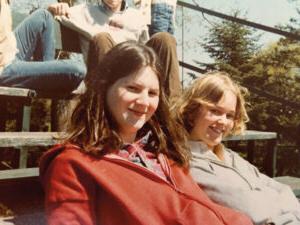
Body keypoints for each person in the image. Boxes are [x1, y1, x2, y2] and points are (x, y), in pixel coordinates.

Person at [39, 42, 253, 225]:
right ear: (104, 89)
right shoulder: (72, 164)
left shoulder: (163, 153)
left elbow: (204, 209)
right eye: (132, 88)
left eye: (152, 93)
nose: (144, 102)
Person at [172, 71, 300, 225]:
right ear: (192, 112)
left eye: (230, 115)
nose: (223, 122)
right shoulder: (190, 163)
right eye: (215, 111)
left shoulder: (229, 156)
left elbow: (282, 189)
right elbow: (255, 211)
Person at [48, 0, 181, 99]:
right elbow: (48, 14)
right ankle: (106, 110)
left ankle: (174, 114)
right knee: (102, 38)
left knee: (165, 39)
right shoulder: (84, 11)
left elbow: (146, 54)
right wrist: (58, 7)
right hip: (103, 84)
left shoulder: (136, 17)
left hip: (132, 77)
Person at [0, 0, 86, 94]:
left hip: (9, 52)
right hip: (3, 67)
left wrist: (52, 11)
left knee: (44, 16)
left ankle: (45, 84)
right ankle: (46, 85)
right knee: (77, 71)